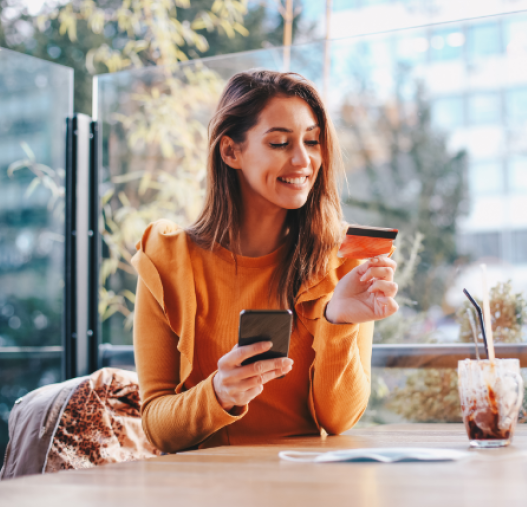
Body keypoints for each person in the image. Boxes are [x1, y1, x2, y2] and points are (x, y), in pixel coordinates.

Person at [132, 70, 399, 453]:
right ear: (231, 152)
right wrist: (218, 393)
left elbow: (339, 421)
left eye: (312, 141)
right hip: (203, 488)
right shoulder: (168, 258)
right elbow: (156, 428)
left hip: (305, 486)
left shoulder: (345, 257)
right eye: (279, 143)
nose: (303, 160)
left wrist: (338, 321)